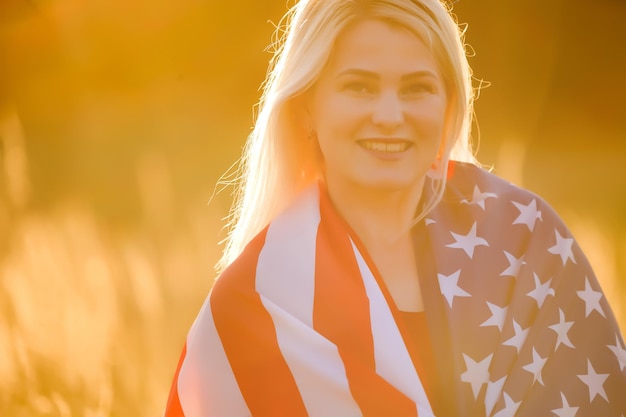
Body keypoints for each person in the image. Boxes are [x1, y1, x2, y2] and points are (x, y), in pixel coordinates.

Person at [164, 0, 626, 415]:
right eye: (359, 87)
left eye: (416, 88)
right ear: (307, 107)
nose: (389, 115)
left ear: (448, 108)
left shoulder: (528, 244)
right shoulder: (256, 303)